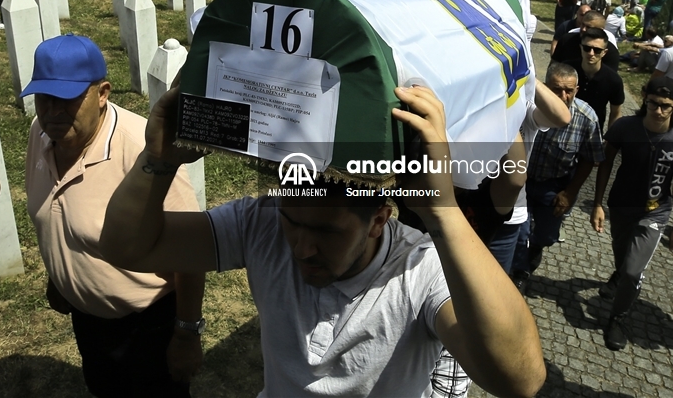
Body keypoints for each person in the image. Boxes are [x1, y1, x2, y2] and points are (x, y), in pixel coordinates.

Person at [97, 82, 546, 397]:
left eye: (327, 232)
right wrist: (156, 161)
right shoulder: (263, 223)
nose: (301, 248)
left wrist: (443, 211)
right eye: (294, 222)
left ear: (379, 219)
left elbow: (520, 379)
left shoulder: (419, 268)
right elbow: (126, 248)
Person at [21, 35, 205, 398]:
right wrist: (61, 277)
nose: (53, 112)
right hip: (89, 322)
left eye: (67, 99)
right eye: (44, 98)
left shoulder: (143, 149)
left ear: (102, 93)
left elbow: (190, 251)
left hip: (146, 328)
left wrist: (186, 333)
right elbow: (57, 214)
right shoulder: (41, 133)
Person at [591, 76, 673, 351]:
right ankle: (618, 277)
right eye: (653, 104)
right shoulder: (625, 127)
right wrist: (597, 203)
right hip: (620, 206)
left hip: (655, 213)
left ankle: (617, 318)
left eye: (666, 106)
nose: (658, 111)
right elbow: (605, 163)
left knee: (634, 272)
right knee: (622, 257)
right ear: (645, 98)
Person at [511, 62, 604, 292]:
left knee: (547, 235)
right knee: (519, 231)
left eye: (569, 91)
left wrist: (570, 192)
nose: (563, 96)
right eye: (556, 90)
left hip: (554, 186)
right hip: (522, 181)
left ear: (577, 90)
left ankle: (536, 248)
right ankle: (519, 272)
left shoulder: (586, 118)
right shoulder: (529, 106)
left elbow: (590, 158)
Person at [566, 27, 626, 130]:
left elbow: (615, 113)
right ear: (580, 47)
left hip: (592, 131)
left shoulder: (613, 80)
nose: (591, 53)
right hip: (563, 124)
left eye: (597, 50)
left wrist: (609, 139)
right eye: (587, 48)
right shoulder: (566, 70)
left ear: (604, 52)